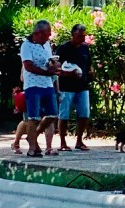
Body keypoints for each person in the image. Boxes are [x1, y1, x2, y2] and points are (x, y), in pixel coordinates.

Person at [17, 20, 63, 157]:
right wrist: (47, 72)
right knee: (34, 117)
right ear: (38, 33)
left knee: (52, 114)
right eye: (47, 35)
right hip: (33, 84)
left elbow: (48, 61)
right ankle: (32, 148)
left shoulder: (46, 44)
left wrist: (54, 65)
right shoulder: (27, 46)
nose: (49, 38)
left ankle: (33, 136)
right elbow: (28, 66)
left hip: (47, 84)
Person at [55, 24, 93, 152]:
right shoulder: (63, 48)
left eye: (83, 36)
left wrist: (90, 72)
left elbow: (88, 64)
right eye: (79, 36)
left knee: (84, 113)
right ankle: (62, 142)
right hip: (66, 86)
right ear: (73, 35)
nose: (82, 38)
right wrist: (69, 73)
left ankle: (79, 141)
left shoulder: (85, 48)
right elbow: (56, 68)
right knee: (64, 114)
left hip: (82, 85)